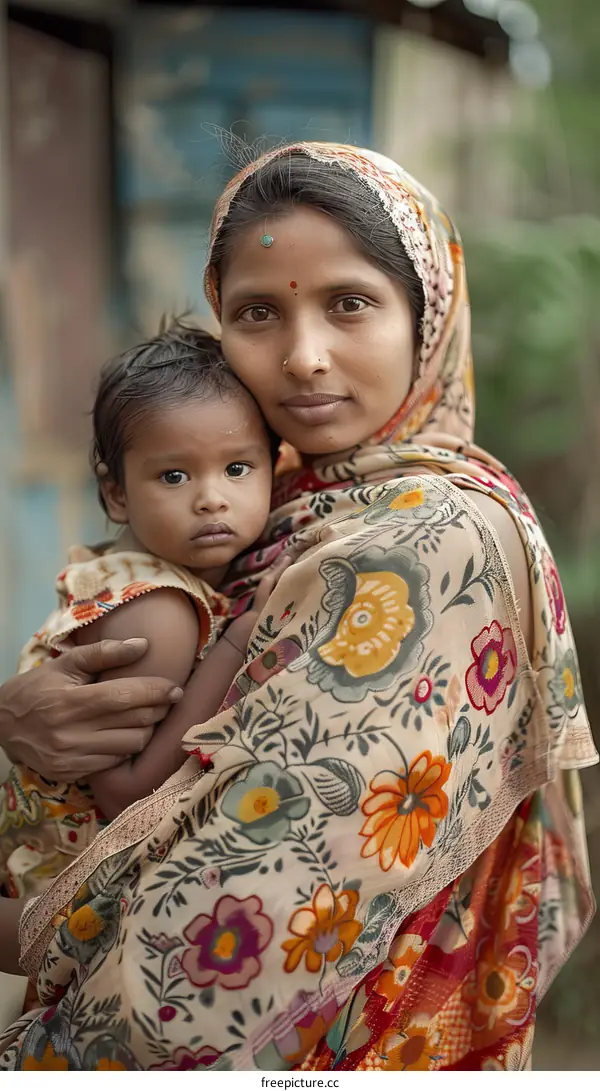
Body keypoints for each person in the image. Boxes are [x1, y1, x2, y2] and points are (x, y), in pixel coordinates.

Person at [0, 143, 596, 1072]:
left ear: (425, 317)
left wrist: (24, 937)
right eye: (257, 313)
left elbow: (227, 935)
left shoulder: (425, 541)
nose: (304, 356)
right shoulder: (270, 510)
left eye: (350, 303)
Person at [0, 320, 285, 899]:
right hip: (71, 889)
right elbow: (124, 794)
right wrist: (243, 637)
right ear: (117, 494)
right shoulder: (160, 612)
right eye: (174, 475)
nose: (211, 497)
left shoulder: (129, 569)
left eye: (237, 468)